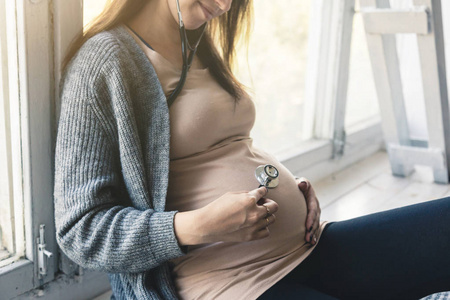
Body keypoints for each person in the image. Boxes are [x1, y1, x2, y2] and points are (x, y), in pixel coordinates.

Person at [53, 0, 450, 299]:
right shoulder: (104, 61)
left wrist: (285, 185)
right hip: (232, 284)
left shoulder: (195, 40)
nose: (226, 5)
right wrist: (201, 225)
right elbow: (80, 230)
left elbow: (223, 150)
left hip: (304, 250)